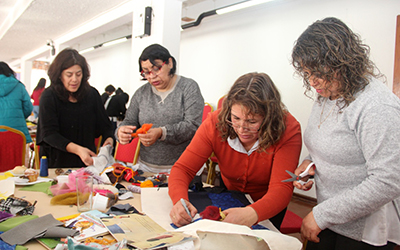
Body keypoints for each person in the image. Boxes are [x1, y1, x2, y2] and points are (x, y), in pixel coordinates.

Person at [291, 17, 400, 249]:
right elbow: (328, 144)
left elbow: (388, 180)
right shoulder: (327, 93)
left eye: (318, 72)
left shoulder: (376, 105)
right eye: (307, 72)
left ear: (344, 62)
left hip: (365, 230)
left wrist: (322, 215)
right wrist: (310, 164)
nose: (313, 81)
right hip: (330, 216)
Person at [168, 72, 302, 230]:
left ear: (269, 118)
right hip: (230, 195)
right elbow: (183, 168)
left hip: (268, 205)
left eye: (252, 121)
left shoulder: (289, 129)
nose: (242, 128)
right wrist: (180, 201)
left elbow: (281, 188)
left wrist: (251, 213)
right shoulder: (215, 123)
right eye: (236, 118)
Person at [116, 44, 204, 173]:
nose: (151, 76)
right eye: (146, 72)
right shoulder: (141, 93)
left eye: (156, 69)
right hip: (147, 167)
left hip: (184, 166)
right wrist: (121, 132)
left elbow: (192, 126)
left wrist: (161, 133)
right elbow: (129, 122)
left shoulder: (188, 87)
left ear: (169, 63)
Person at [36, 48, 114, 168]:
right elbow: (49, 134)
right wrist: (78, 150)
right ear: (59, 75)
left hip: (87, 164)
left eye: (78, 74)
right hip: (57, 163)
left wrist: (109, 141)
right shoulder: (49, 96)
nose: (75, 79)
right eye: (69, 75)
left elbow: (106, 127)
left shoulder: (92, 94)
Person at [0, 61, 33, 143]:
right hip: (17, 132)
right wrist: (18, 116)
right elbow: (28, 108)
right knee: (18, 155)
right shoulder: (19, 86)